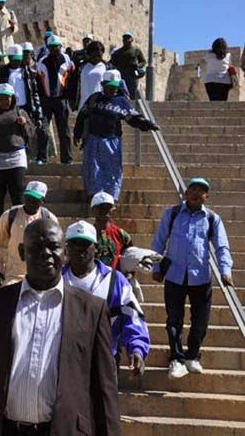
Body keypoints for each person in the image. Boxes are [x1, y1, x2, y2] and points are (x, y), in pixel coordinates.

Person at [0, 218, 121, 436]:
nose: (46, 253)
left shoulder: (91, 310)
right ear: (21, 252)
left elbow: (104, 387)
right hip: (4, 429)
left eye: (53, 246)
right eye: (36, 247)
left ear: (65, 252)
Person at [151, 177, 234, 379]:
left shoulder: (212, 219)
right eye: (193, 189)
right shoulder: (172, 214)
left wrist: (225, 270)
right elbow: (159, 241)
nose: (197, 193)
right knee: (174, 320)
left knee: (201, 321)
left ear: (207, 196)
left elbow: (221, 246)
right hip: (174, 275)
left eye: (201, 191)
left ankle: (192, 356)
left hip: (201, 277)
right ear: (186, 193)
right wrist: (156, 266)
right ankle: (176, 359)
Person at [62, 220, 150, 374]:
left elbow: (133, 317)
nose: (79, 249)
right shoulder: (56, 279)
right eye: (74, 243)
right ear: (66, 249)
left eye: (85, 244)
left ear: (96, 248)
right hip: (63, 362)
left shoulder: (114, 280)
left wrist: (137, 349)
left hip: (103, 362)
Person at [74, 69, 159, 201]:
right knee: (92, 170)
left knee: (113, 170)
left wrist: (148, 124)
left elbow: (133, 117)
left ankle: (110, 198)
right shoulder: (94, 99)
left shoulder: (121, 102)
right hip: (93, 140)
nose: (112, 90)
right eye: (109, 87)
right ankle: (94, 198)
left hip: (112, 141)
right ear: (103, 85)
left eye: (115, 87)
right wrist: (77, 133)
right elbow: (82, 115)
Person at [0, 83, 33, 223]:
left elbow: (31, 133)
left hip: (16, 157)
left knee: (18, 192)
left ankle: (19, 223)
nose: (4, 101)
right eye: (1, 98)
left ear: (12, 98)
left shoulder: (20, 112)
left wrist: (24, 124)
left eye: (7, 98)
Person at [0, 181, 59, 286]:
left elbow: (56, 247)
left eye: (35, 200)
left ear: (42, 201)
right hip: (13, 275)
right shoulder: (10, 215)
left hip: (40, 276)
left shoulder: (49, 219)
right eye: (28, 198)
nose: (31, 202)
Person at [36, 35, 74, 165]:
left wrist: (69, 94)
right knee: (43, 129)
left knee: (64, 130)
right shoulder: (42, 61)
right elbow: (38, 79)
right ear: (48, 48)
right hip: (46, 100)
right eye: (51, 47)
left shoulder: (66, 59)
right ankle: (42, 157)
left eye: (56, 47)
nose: (54, 49)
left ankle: (67, 158)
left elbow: (73, 73)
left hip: (60, 99)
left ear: (60, 47)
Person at [110, 31, 146, 99]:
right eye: (124, 38)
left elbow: (143, 61)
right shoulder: (118, 52)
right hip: (121, 75)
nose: (126, 39)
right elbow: (112, 62)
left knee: (132, 94)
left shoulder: (136, 50)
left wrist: (138, 65)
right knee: (121, 93)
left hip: (132, 76)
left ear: (132, 40)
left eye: (128, 38)